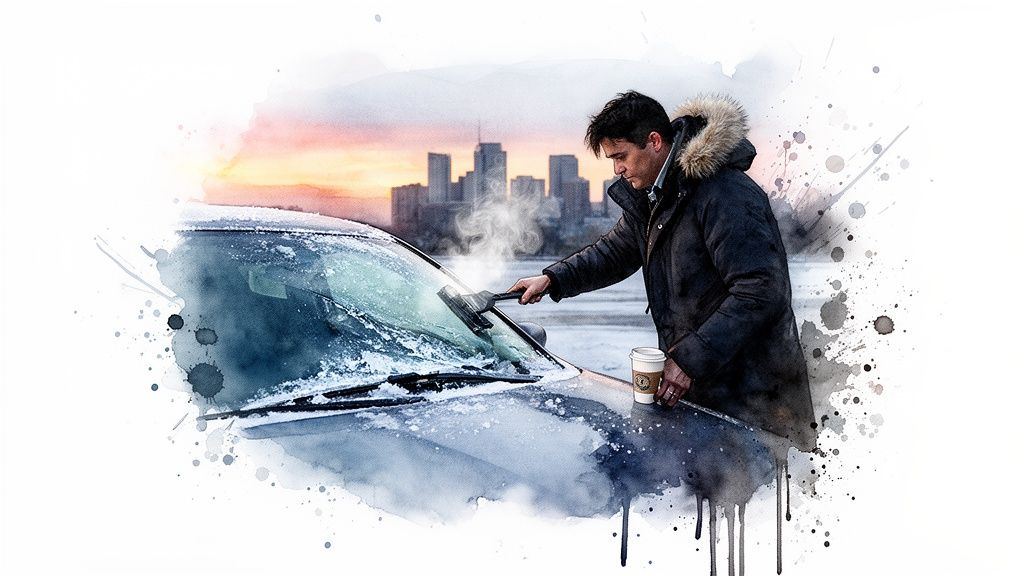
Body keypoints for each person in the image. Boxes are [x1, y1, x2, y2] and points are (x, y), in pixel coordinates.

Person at [510, 91, 816, 450]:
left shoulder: (725, 194)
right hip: (705, 389)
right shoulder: (656, 198)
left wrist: (687, 361)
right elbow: (613, 252)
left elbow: (761, 290)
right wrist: (553, 278)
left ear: (654, 141)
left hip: (758, 401)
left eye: (621, 157)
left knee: (763, 502)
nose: (617, 170)